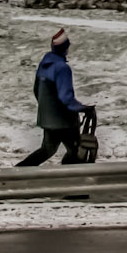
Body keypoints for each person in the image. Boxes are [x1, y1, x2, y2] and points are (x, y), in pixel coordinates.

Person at [18, 27, 91, 166]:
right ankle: (69, 178)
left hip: (47, 119)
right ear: (65, 48)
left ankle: (19, 170)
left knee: (47, 150)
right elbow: (66, 98)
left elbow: (36, 90)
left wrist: (47, 109)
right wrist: (83, 108)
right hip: (64, 121)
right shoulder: (62, 68)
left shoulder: (43, 65)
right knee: (75, 149)